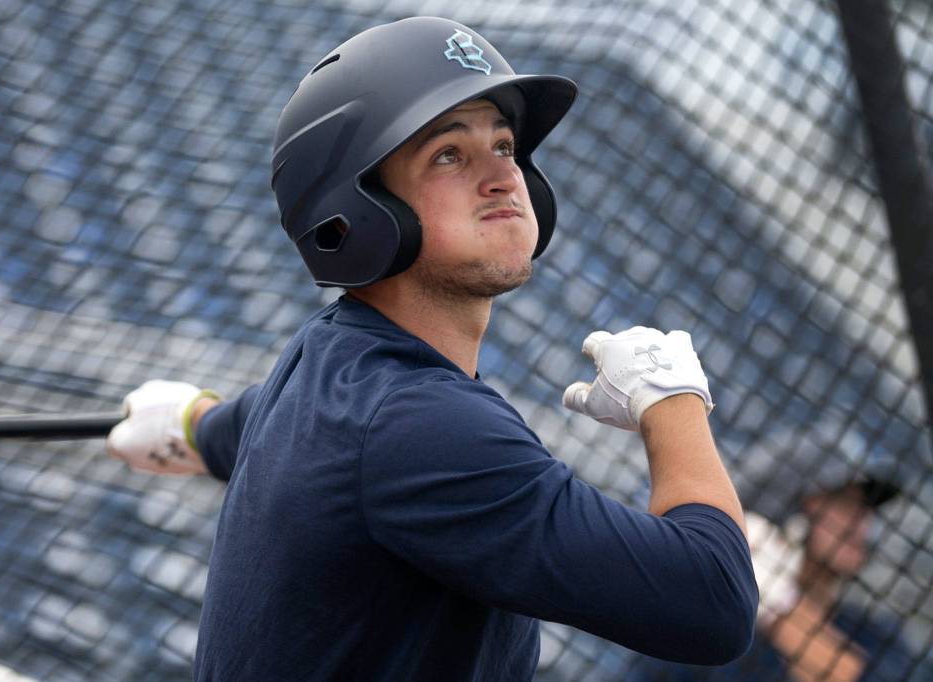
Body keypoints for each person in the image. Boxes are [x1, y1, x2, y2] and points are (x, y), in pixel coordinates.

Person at [106, 16, 758, 680]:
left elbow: (243, 424)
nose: (503, 177)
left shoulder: (325, 364)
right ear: (359, 211)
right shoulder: (420, 426)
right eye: (449, 154)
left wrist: (191, 423)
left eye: (504, 146)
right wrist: (671, 397)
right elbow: (713, 602)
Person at [629, 474, 932, 681]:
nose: (860, 523)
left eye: (864, 509)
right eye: (842, 503)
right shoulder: (708, 634)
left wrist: (779, 600)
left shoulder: (874, 634)